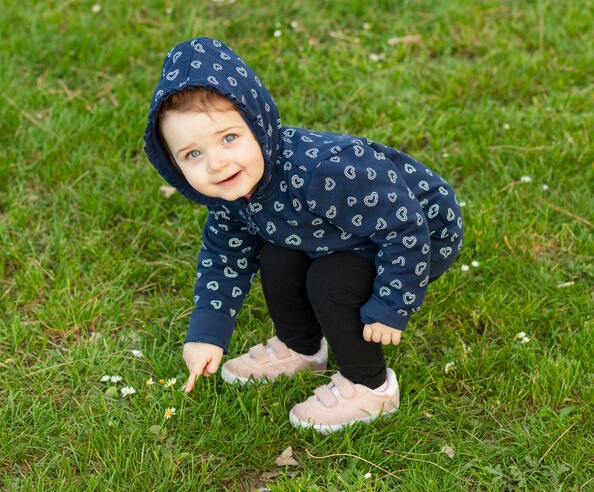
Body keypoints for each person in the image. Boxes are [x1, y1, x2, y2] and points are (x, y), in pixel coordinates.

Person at [143, 37, 464, 434]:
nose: (217, 164)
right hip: (338, 229)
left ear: (257, 124)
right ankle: (302, 346)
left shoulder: (321, 173)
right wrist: (208, 333)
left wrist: (392, 303)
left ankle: (371, 386)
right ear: (172, 163)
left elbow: (404, 224)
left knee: (331, 281)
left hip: (418, 231)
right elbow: (224, 259)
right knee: (277, 256)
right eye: (193, 154)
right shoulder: (231, 197)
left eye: (229, 138)